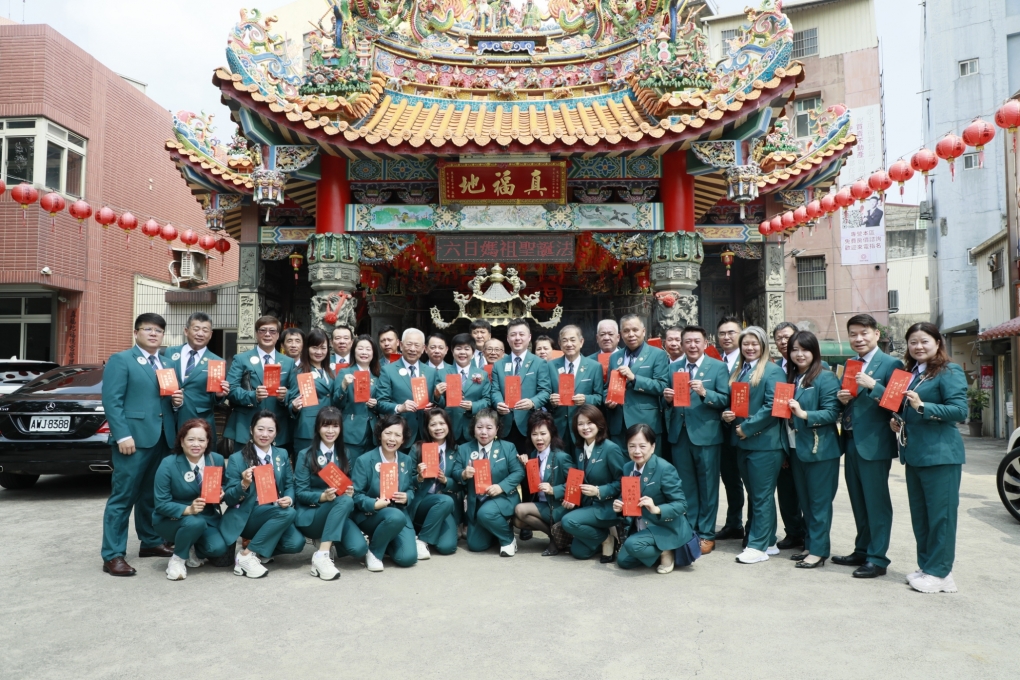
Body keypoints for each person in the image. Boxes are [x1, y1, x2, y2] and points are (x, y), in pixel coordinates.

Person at [881, 323, 967, 594]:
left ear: (937, 342)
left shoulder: (949, 371)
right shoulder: (912, 373)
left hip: (941, 455)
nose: (918, 346)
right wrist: (898, 420)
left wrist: (922, 406)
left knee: (941, 517)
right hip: (915, 454)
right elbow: (906, 408)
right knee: (921, 516)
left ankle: (941, 573)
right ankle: (927, 566)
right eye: (913, 342)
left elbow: (959, 410)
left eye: (924, 341)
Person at [100, 313, 181, 577]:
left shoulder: (167, 363)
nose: (154, 334)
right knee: (123, 496)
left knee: (150, 495)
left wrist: (176, 402)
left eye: (159, 330)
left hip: (162, 438)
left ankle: (150, 541)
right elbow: (112, 400)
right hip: (133, 440)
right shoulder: (122, 360)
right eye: (148, 329)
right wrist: (122, 435)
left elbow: (164, 401)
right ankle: (113, 555)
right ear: (136, 333)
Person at [833, 314, 904, 578]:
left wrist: (874, 385)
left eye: (864, 333)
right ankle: (862, 550)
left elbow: (898, 403)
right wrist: (842, 400)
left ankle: (878, 558)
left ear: (876, 334)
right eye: (853, 334)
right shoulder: (850, 364)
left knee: (876, 503)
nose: (858, 338)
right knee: (858, 501)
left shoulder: (892, 363)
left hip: (874, 444)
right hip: (851, 441)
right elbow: (853, 403)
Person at [662, 325, 730, 554]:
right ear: (682, 344)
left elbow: (725, 399)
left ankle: (707, 533)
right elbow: (666, 402)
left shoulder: (717, 367)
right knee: (685, 486)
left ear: (705, 343)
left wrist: (704, 393)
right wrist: (667, 399)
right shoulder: (674, 367)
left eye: (696, 341)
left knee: (708, 486)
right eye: (688, 341)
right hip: (679, 434)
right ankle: (689, 530)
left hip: (706, 435)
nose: (692, 345)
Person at [721, 326, 786, 564]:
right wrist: (729, 415)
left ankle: (757, 546)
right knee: (758, 495)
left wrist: (747, 427)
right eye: (745, 344)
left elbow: (773, 406)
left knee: (761, 496)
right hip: (743, 442)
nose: (749, 348)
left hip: (764, 444)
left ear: (763, 345)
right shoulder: (741, 370)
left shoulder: (773, 371)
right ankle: (769, 540)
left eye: (754, 344)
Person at [221, 410, 306, 578]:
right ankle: (246, 556)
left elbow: (289, 484)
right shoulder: (237, 459)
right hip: (249, 514)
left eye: (270, 430)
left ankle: (257, 550)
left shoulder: (281, 454)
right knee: (288, 513)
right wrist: (243, 484)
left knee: (296, 543)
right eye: (260, 429)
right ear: (251, 429)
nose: (265, 434)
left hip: (275, 511)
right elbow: (229, 498)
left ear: (276, 433)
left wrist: (289, 498)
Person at [784, 331, 841, 569]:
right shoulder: (792, 377)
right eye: (794, 350)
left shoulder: (825, 377)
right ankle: (810, 544)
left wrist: (803, 414)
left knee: (819, 503)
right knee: (806, 502)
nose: (799, 354)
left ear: (814, 351)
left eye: (805, 349)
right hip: (796, 447)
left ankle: (819, 551)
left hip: (820, 449)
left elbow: (832, 412)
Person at [293, 407, 368, 580]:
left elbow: (348, 484)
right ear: (318, 428)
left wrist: (350, 491)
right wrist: (322, 497)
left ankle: (327, 539)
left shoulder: (345, 453)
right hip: (312, 514)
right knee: (345, 502)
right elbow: (300, 492)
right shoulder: (305, 455)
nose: (330, 431)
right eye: (325, 426)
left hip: (337, 510)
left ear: (341, 428)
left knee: (359, 549)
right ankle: (322, 555)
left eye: (335, 426)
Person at [152, 419, 230, 581]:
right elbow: (161, 503)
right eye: (191, 439)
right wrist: (188, 510)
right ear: (181, 441)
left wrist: (222, 491)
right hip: (172, 519)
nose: (196, 444)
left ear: (208, 442)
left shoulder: (216, 460)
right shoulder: (168, 464)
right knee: (195, 522)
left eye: (201, 440)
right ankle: (178, 559)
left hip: (206, 517)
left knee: (218, 549)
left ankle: (190, 546)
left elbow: (225, 484)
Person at [613, 424, 694, 574]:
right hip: (641, 526)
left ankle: (666, 551)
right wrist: (620, 507)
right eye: (632, 446)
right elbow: (628, 496)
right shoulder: (628, 468)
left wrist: (656, 509)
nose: (637, 451)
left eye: (642, 446)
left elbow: (681, 504)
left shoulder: (664, 469)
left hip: (664, 527)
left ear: (653, 447)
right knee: (623, 561)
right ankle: (654, 550)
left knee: (632, 545)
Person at [351, 414, 419, 571]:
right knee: (395, 516)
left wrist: (407, 497)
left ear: (403, 439)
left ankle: (384, 540)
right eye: (388, 433)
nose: (392, 439)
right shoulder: (364, 460)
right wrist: (374, 504)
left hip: (399, 513)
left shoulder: (406, 460)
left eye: (397, 435)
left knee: (407, 558)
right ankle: (374, 553)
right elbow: (356, 495)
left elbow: (410, 488)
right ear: (380, 434)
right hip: (372, 514)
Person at [452, 408, 524, 556]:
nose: (484, 432)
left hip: (503, 497)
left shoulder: (507, 447)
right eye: (479, 427)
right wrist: (463, 474)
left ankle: (508, 540)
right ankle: (497, 530)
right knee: (475, 545)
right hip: (478, 502)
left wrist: (501, 486)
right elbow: (455, 472)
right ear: (473, 429)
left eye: (489, 428)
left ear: (497, 429)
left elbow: (519, 472)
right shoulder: (464, 449)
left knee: (486, 513)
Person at [560, 405, 626, 561]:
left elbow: (622, 482)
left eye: (590, 423)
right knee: (579, 552)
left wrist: (599, 490)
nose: (585, 427)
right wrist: (571, 496)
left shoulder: (610, 448)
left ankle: (607, 539)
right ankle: (605, 536)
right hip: (588, 505)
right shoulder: (579, 449)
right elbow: (579, 479)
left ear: (599, 424)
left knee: (568, 521)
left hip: (607, 506)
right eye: (580, 424)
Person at [225, 315, 295, 452]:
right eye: (263, 330)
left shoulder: (288, 362)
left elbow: (295, 392)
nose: (267, 334)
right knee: (244, 464)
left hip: (278, 426)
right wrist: (253, 396)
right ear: (256, 334)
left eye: (272, 331)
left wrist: (285, 396)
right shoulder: (241, 359)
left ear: (278, 335)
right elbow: (231, 389)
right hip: (247, 425)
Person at [513, 411, 574, 556]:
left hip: (558, 505)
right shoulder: (533, 455)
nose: (539, 438)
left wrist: (554, 489)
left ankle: (556, 539)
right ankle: (556, 537)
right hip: (543, 504)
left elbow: (575, 485)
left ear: (551, 434)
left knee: (520, 509)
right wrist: (524, 465)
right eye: (534, 434)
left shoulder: (561, 457)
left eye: (543, 433)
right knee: (518, 522)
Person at [605, 315, 669, 454]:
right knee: (621, 464)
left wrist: (634, 379)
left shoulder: (657, 354)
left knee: (648, 463)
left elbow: (662, 386)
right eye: (626, 331)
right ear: (621, 334)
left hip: (645, 421)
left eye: (635, 330)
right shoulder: (615, 357)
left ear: (644, 331)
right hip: (619, 423)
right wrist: (608, 400)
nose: (631, 334)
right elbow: (607, 387)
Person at [165, 312, 229, 450]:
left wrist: (219, 396)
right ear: (186, 331)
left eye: (205, 330)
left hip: (200, 420)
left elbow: (215, 398)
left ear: (210, 334)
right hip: (170, 417)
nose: (200, 334)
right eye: (196, 329)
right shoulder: (170, 353)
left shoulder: (216, 361)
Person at [492, 318, 551, 454]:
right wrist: (498, 403)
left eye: (521, 334)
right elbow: (495, 390)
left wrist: (532, 402)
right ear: (508, 339)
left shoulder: (539, 363)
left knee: (530, 462)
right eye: (513, 335)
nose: (517, 338)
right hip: (505, 423)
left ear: (529, 337)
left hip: (530, 424)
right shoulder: (499, 365)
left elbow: (545, 391)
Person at [771, 321, 806, 551]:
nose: (784, 342)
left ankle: (810, 536)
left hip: (806, 437)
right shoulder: (774, 369)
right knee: (786, 491)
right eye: (779, 338)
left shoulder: (814, 368)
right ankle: (793, 533)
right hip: (782, 436)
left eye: (788, 337)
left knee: (807, 492)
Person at [408, 408, 459, 558]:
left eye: (442, 423)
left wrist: (446, 481)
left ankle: (422, 534)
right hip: (422, 501)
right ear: (427, 428)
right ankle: (422, 541)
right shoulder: (417, 448)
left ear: (448, 425)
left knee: (447, 547)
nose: (438, 428)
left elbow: (461, 484)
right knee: (445, 500)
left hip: (445, 505)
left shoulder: (456, 450)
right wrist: (419, 476)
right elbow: (406, 481)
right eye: (433, 424)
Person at [377, 328, 438, 451]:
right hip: (400, 433)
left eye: (417, 345)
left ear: (423, 348)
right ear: (401, 345)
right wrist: (400, 408)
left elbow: (437, 402)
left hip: (425, 432)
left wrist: (435, 401)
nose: (412, 349)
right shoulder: (388, 370)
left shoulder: (431, 372)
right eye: (409, 344)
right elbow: (380, 402)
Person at [547, 324, 604, 450]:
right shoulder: (550, 366)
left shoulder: (594, 367)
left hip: (584, 427)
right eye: (565, 340)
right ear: (560, 344)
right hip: (559, 427)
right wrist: (551, 400)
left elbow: (600, 397)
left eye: (573, 340)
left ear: (581, 342)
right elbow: (545, 394)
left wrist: (586, 399)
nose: (569, 344)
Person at [715, 315, 745, 541]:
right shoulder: (714, 361)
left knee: (752, 484)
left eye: (731, 333)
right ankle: (734, 523)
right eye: (722, 333)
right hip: (719, 432)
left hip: (744, 430)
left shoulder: (748, 361)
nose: (726, 337)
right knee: (730, 480)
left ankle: (755, 528)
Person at [334, 335, 382, 464]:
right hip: (352, 430)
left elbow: (384, 400)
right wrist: (344, 385)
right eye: (360, 348)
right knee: (351, 467)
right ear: (354, 351)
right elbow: (336, 403)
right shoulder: (345, 372)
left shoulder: (378, 375)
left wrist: (376, 403)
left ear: (374, 353)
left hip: (373, 430)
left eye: (368, 349)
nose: (364, 352)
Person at [436, 333, 491, 445]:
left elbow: (488, 400)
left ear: (473, 352)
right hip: (450, 425)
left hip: (473, 426)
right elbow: (440, 404)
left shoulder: (482, 374)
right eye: (458, 348)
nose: (462, 352)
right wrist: (437, 395)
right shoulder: (441, 373)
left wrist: (473, 406)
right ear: (452, 351)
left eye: (467, 349)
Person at [289, 328, 336, 458]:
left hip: (329, 429)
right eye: (315, 347)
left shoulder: (331, 372)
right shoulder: (299, 371)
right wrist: (294, 407)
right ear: (307, 348)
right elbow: (291, 400)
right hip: (307, 430)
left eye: (323, 348)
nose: (319, 352)